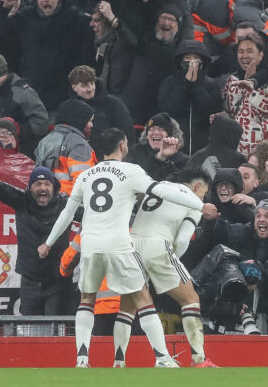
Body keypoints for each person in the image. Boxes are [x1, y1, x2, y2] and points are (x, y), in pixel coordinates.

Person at [37, 128, 208, 368]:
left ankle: (82, 359)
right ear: (123, 146)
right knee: (143, 299)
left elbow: (67, 214)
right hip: (118, 244)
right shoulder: (131, 171)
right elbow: (161, 190)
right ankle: (162, 358)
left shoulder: (86, 176)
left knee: (86, 300)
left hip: (90, 244)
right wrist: (199, 205)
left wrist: (48, 243)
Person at [130, 166, 217, 367]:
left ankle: (125, 361)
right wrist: (171, 258)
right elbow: (183, 240)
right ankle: (199, 360)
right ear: (197, 186)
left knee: (133, 306)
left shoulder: (160, 186)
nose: (203, 196)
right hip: (157, 246)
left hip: (131, 245)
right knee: (191, 299)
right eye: (204, 192)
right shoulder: (194, 202)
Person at [0, 159, 72, 315]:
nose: (43, 188)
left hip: (58, 282)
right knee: (28, 332)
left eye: (47, 184)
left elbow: (92, 214)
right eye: (38, 184)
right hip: (29, 280)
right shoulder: (21, 200)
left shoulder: (66, 205)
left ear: (54, 187)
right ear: (30, 188)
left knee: (55, 334)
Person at [34, 99, 97, 196]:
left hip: (48, 202)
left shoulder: (44, 141)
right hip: (71, 204)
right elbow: (84, 182)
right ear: (79, 120)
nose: (91, 125)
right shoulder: (79, 145)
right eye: (89, 121)